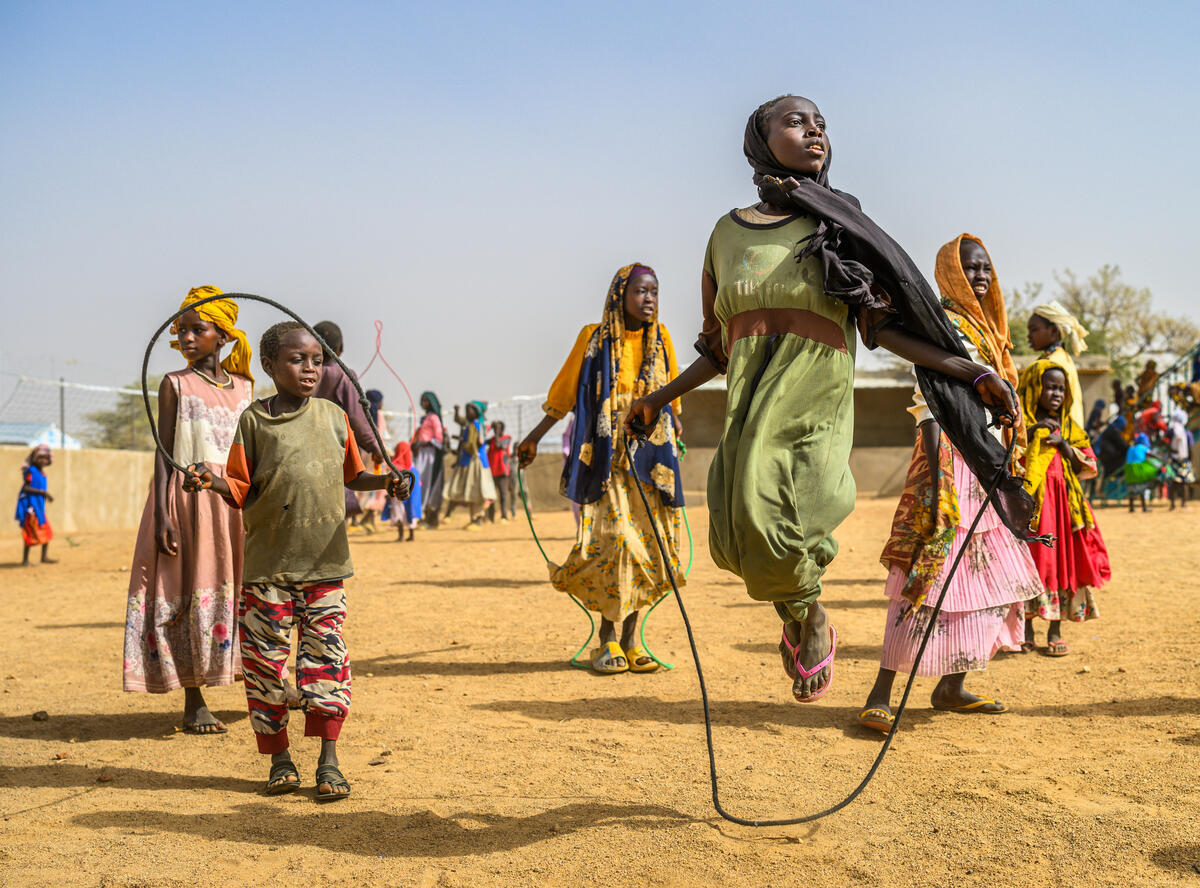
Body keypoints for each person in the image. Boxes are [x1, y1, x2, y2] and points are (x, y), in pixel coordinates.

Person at [625, 95, 1029, 702]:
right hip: (749, 397)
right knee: (734, 538)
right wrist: (658, 398)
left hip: (814, 397)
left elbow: (884, 327)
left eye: (821, 124)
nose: (814, 131)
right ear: (760, 140)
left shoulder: (837, 225)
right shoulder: (724, 234)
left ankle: (809, 616)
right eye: (795, 122)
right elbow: (718, 346)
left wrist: (972, 373)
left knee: (769, 522)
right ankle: (802, 616)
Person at [182, 320, 410, 799]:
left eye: (316, 360)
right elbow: (240, 487)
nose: (309, 368)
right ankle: (280, 760)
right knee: (265, 664)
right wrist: (211, 478)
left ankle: (329, 762)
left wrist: (389, 480)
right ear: (270, 365)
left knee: (326, 662)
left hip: (325, 566)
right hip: (268, 569)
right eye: (296, 359)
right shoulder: (254, 420)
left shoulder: (332, 416)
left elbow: (355, 476)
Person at [858, 235, 1043, 731]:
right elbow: (929, 392)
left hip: (989, 468)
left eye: (985, 268)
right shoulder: (946, 327)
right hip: (950, 462)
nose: (980, 276)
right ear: (950, 274)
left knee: (984, 579)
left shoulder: (991, 333)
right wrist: (938, 465)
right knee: (928, 574)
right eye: (970, 269)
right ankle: (881, 691)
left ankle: (952, 685)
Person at [519, 264, 685, 675]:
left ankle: (632, 640)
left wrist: (677, 429)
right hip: (608, 463)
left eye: (654, 292)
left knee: (648, 548)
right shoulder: (591, 339)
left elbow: (674, 399)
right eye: (640, 292)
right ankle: (606, 638)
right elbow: (562, 397)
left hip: (652, 462)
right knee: (616, 542)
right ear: (619, 296)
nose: (649, 299)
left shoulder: (661, 340)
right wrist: (534, 438)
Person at [122, 286, 253, 733]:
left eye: (199, 330)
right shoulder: (174, 384)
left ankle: (271, 681)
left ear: (224, 335)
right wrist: (162, 512)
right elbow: (163, 453)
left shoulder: (246, 389)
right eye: (182, 331)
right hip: (189, 499)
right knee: (190, 586)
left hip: (233, 501)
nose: (188, 338)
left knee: (248, 591)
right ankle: (194, 697)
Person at [1018, 361, 1111, 656]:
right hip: (1031, 508)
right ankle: (1026, 629)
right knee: (1032, 563)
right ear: (1034, 388)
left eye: (1060, 388)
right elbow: (1010, 454)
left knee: (1060, 563)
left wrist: (1064, 446)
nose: (1056, 393)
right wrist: (1032, 431)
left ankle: (1055, 629)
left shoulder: (1070, 427)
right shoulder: (1020, 424)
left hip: (1062, 510)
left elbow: (1089, 465)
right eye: (1049, 387)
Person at [312, 321, 382, 522]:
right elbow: (357, 419)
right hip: (333, 453)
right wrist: (376, 448)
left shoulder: (303, 372)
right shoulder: (342, 375)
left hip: (303, 449)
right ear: (340, 348)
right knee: (332, 514)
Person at [1026, 301, 1089, 428]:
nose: (1028, 336)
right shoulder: (1061, 358)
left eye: (1034, 330)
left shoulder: (1052, 364)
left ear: (1053, 330)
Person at [443, 401, 497, 529]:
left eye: (469, 411)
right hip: (471, 460)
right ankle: (475, 518)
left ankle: (477, 519)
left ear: (476, 412)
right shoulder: (475, 425)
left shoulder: (474, 426)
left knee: (476, 491)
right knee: (474, 492)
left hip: (473, 462)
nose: (467, 413)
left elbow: (472, 444)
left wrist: (463, 441)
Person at [15, 444, 55, 566]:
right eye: (40, 458)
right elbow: (26, 487)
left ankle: (44, 557)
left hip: (39, 507)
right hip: (31, 507)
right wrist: (43, 493)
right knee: (30, 531)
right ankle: (25, 560)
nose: (43, 460)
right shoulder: (31, 471)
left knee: (46, 530)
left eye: (45, 458)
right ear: (34, 458)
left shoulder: (42, 473)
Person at [413, 391, 446, 528]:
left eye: (426, 401)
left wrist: (424, 443)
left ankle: (431, 518)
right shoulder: (425, 418)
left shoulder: (434, 418)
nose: (424, 403)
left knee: (428, 483)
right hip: (421, 454)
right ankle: (421, 515)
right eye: (423, 400)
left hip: (430, 455)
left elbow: (439, 438)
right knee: (420, 483)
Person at [387, 440, 422, 540]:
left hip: (398, 498)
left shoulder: (395, 468)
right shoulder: (414, 470)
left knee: (398, 513)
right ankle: (411, 535)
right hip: (410, 498)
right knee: (409, 512)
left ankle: (401, 536)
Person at [1166, 407, 1194, 510]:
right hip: (1184, 459)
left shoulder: (1171, 431)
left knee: (1173, 482)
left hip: (1174, 459)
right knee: (1184, 482)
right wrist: (1190, 460)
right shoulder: (1187, 433)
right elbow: (1190, 448)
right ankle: (1184, 504)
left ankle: (1172, 505)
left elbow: (1166, 442)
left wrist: (1171, 452)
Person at [1123, 432, 1159, 512]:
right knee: (1143, 486)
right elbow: (1152, 454)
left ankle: (1131, 508)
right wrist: (1161, 458)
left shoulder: (1131, 448)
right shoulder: (1142, 447)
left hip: (1129, 470)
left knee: (1131, 488)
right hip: (1139, 469)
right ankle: (1144, 507)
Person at [486, 420, 514, 522]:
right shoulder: (493, 439)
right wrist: (488, 428)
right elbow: (482, 440)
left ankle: (504, 516)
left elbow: (499, 445)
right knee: (490, 496)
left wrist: (496, 433)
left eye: (497, 429)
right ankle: (490, 517)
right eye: (494, 429)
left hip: (502, 472)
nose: (495, 431)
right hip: (491, 472)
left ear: (501, 429)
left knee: (503, 495)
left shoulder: (507, 438)